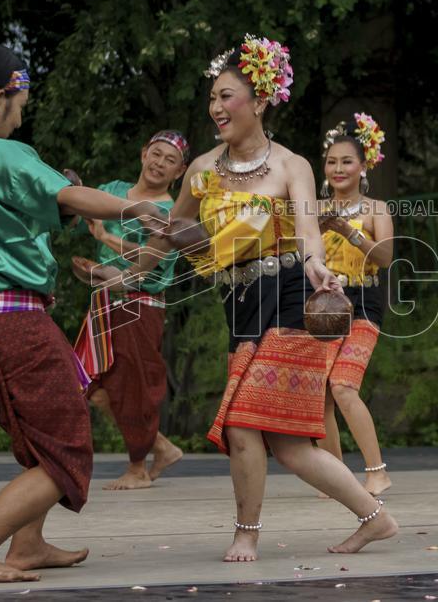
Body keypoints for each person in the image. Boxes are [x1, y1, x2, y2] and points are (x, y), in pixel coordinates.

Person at [114, 35, 398, 562]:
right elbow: (171, 233)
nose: (215, 107)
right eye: (213, 98)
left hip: (291, 295)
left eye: (226, 96)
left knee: (242, 421)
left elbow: (308, 231)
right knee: (288, 444)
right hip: (240, 302)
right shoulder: (201, 169)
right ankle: (374, 517)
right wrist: (130, 276)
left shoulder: (292, 165)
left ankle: (247, 535)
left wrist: (317, 265)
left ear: (260, 101)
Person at [0, 43, 167, 583]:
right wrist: (139, 209)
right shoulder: (1, 155)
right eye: (20, 104)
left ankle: (27, 545)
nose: (21, 116)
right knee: (69, 443)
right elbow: (72, 198)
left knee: (41, 433)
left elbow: (0, 228)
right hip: (13, 326)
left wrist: (61, 203)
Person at [74, 130, 189, 490]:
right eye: (156, 154)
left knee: (132, 384)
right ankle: (162, 448)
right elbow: (82, 208)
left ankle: (138, 467)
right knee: (93, 387)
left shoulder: (171, 213)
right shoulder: (112, 190)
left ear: (179, 172)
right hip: (104, 302)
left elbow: (152, 260)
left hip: (139, 304)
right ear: (143, 154)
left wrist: (105, 238)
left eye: (170, 160)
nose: (160, 163)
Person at [314, 113, 394, 497]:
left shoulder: (376, 208)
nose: (338, 168)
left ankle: (377, 472)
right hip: (323, 304)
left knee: (344, 385)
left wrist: (347, 230)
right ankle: (335, 476)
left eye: (347, 161)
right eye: (332, 162)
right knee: (320, 393)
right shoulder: (315, 210)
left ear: (363, 166)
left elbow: (386, 257)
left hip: (364, 302)